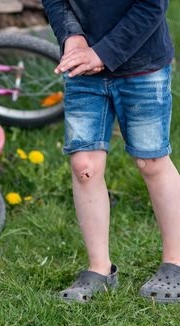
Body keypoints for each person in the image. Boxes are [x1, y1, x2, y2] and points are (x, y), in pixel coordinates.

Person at [42, 0, 180, 304]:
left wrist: (102, 53)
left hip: (141, 64)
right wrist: (71, 36)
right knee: (83, 166)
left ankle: (175, 262)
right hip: (83, 67)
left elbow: (151, 6)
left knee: (151, 161)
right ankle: (99, 270)